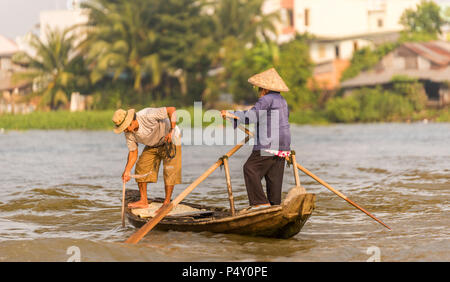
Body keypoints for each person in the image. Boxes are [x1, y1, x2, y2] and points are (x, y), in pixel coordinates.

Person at [221, 68, 291, 211]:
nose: (259, 92)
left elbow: (251, 117)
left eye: (259, 89)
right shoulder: (282, 100)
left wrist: (231, 114)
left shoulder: (266, 99)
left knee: (250, 168)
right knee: (273, 178)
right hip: (283, 146)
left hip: (268, 144)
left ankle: (260, 203)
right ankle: (274, 207)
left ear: (264, 89)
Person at [112, 107, 182, 212]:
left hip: (171, 138)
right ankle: (143, 201)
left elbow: (171, 110)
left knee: (169, 170)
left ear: (132, 121)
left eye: (125, 127)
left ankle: (167, 203)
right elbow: (133, 152)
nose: (125, 131)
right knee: (141, 167)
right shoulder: (128, 133)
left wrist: (171, 130)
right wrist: (127, 170)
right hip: (153, 143)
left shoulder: (147, 114)